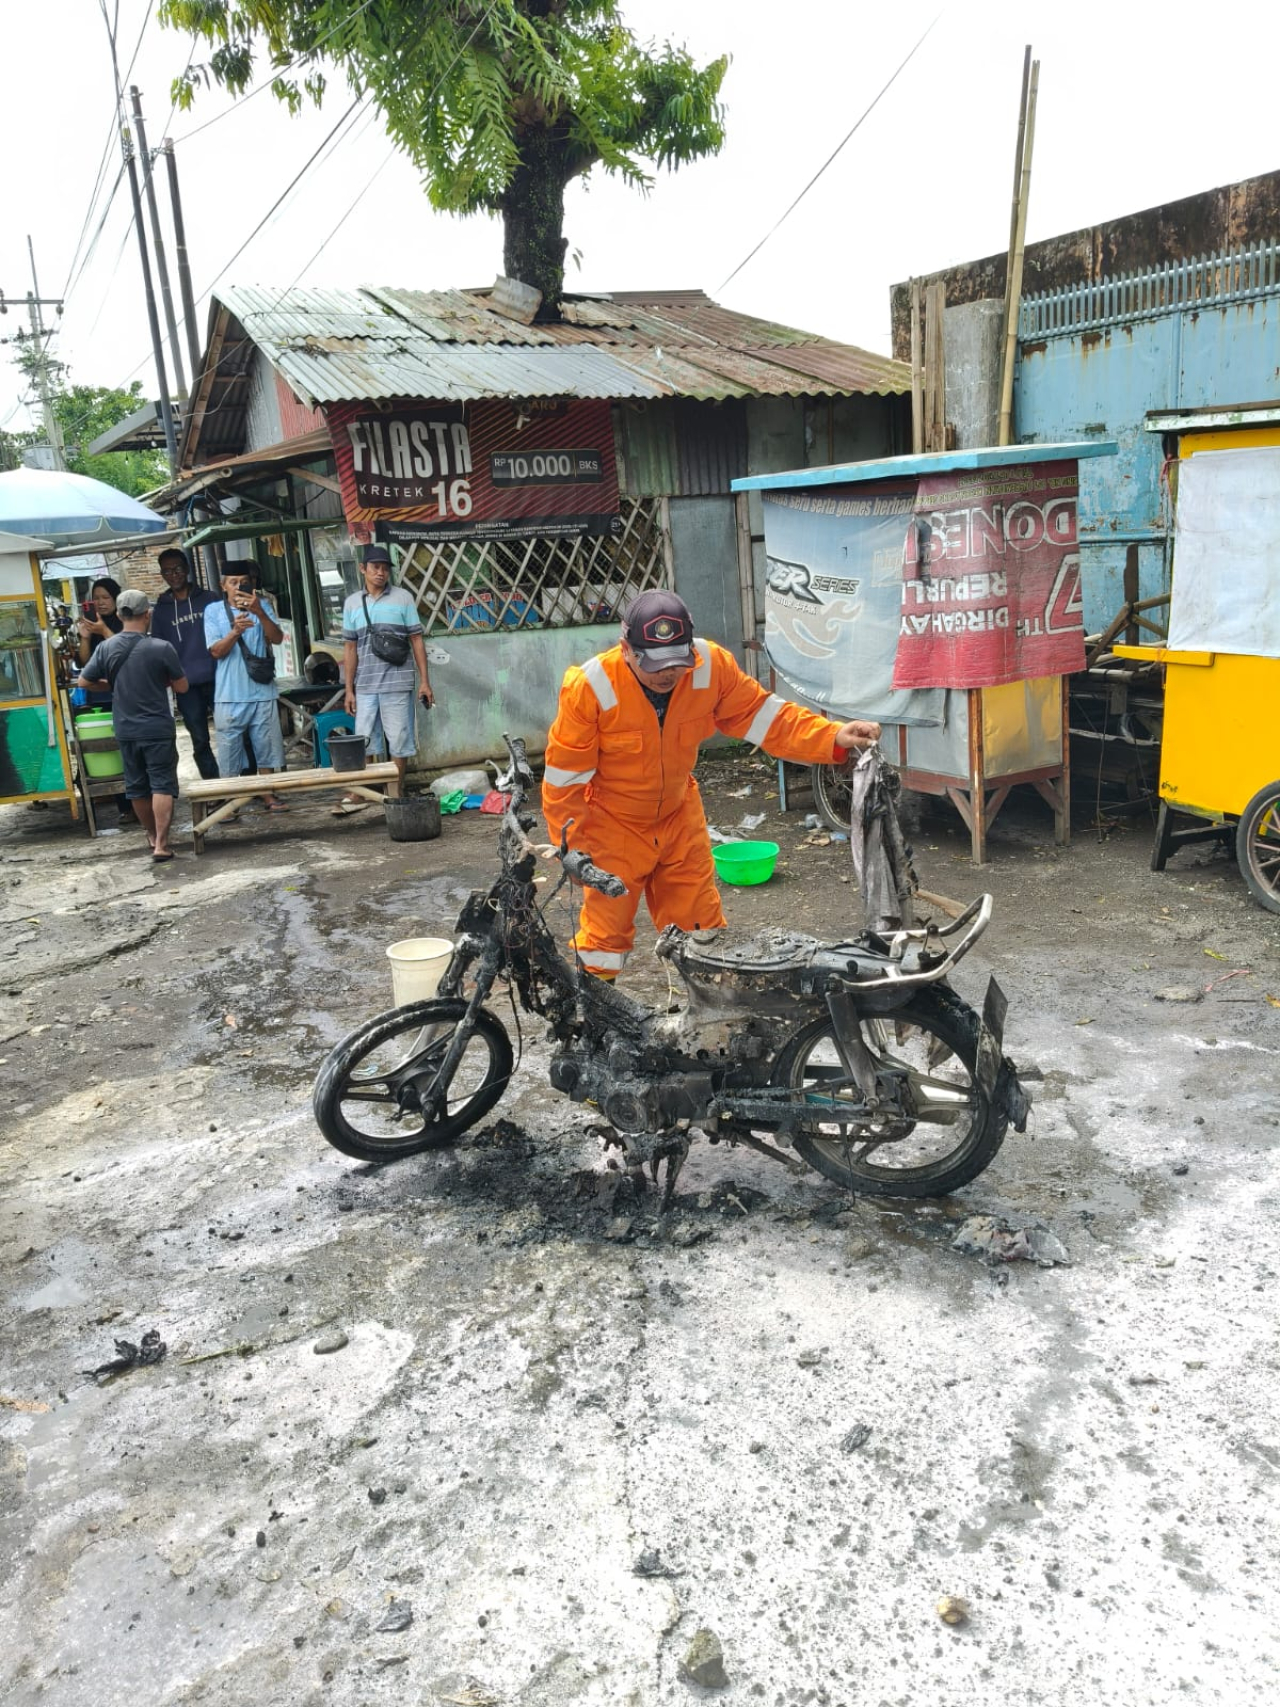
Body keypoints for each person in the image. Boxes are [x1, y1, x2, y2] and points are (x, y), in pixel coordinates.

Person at [541, 590, 881, 978]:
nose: (668, 673)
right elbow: (564, 781)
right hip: (612, 824)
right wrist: (571, 851)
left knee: (704, 934)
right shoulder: (591, 686)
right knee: (604, 939)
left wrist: (832, 736)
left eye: (677, 661)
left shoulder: (710, 666)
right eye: (654, 664)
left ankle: (709, 1026)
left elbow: (765, 716)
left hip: (678, 819)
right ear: (626, 649)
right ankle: (591, 1028)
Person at [74, 589, 188, 862]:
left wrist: (112, 685)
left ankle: (150, 836)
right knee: (161, 783)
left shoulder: (105, 648)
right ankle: (162, 843)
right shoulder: (162, 648)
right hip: (157, 727)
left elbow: (83, 682)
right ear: (146, 614)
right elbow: (182, 687)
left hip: (125, 728)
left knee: (136, 786)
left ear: (119, 614)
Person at [337, 545, 433, 815]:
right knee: (364, 740)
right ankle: (365, 791)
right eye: (375, 567)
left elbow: (416, 640)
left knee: (399, 740)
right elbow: (349, 649)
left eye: (385, 567)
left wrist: (424, 681)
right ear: (363, 569)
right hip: (365, 685)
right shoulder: (353, 603)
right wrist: (349, 689)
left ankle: (396, 790)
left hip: (398, 683)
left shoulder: (403, 598)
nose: (380, 572)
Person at [203, 566, 288, 809]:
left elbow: (278, 639)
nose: (238, 587)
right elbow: (216, 651)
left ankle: (267, 793)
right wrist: (235, 632)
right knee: (229, 751)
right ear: (223, 585)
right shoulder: (213, 611)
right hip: (229, 695)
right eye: (233, 582)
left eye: (243, 581)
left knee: (266, 748)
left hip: (261, 691)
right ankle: (230, 799)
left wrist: (260, 612)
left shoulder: (262, 606)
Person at [149, 546, 221, 779]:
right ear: (162, 575)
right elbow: (159, 649)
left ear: (187, 569)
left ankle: (245, 782)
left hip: (219, 678)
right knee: (199, 739)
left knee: (232, 731)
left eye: (178, 568)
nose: (174, 575)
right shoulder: (160, 611)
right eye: (167, 571)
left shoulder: (211, 599)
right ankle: (214, 788)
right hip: (186, 686)